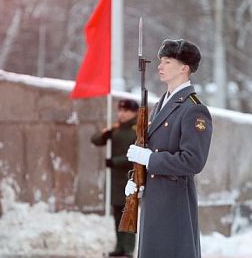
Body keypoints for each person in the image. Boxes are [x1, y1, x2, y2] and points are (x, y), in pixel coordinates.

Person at [124, 39, 213, 258]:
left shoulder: (193, 109)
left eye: (167, 61)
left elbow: (193, 161)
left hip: (174, 202)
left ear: (184, 68)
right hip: (154, 198)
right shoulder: (161, 104)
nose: (160, 66)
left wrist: (149, 159)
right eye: (161, 61)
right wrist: (136, 177)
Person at [91, 99, 139, 257]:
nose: (122, 114)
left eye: (126, 111)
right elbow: (95, 139)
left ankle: (128, 249)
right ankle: (119, 246)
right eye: (120, 110)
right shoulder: (117, 129)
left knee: (129, 215)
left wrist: (115, 162)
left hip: (130, 179)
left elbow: (137, 156)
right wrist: (106, 134)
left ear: (134, 112)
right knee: (118, 214)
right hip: (115, 180)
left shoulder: (137, 130)